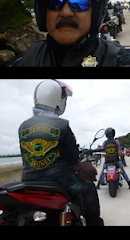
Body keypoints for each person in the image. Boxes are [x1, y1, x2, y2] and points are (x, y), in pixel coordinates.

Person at [17, 79, 103, 225]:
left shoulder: (23, 126)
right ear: (58, 98)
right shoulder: (62, 125)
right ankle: (94, 222)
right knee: (89, 187)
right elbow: (73, 157)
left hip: (28, 179)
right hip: (59, 179)